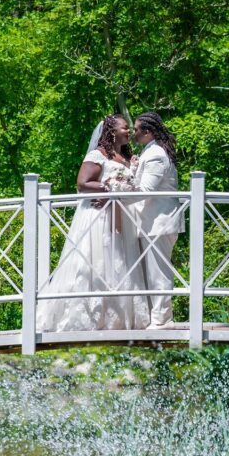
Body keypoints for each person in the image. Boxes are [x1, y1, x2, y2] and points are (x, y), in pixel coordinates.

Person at [36, 115, 150, 332]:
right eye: (125, 127)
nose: (128, 131)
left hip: (123, 217)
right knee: (96, 260)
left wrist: (122, 186)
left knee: (121, 261)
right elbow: (82, 183)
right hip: (99, 216)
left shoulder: (127, 157)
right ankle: (89, 317)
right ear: (112, 131)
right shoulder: (97, 155)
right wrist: (109, 189)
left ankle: (119, 317)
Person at [131, 112, 183, 329]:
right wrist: (134, 169)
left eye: (136, 129)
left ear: (147, 131)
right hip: (153, 221)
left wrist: (117, 189)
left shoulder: (155, 154)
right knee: (152, 271)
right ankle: (157, 317)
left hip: (159, 221)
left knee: (158, 271)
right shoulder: (150, 151)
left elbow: (145, 190)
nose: (133, 134)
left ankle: (162, 320)